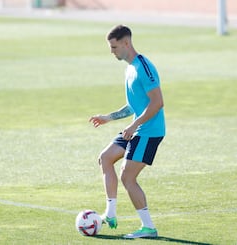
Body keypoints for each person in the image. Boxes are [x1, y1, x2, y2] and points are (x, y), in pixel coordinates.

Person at [89, 25, 166, 239]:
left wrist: (133, 126)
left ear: (126, 43)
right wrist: (108, 117)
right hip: (136, 128)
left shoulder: (143, 67)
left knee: (127, 176)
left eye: (114, 47)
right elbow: (135, 105)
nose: (111, 51)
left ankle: (148, 227)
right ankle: (110, 214)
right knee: (105, 158)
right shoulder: (129, 68)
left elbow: (157, 103)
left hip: (149, 130)